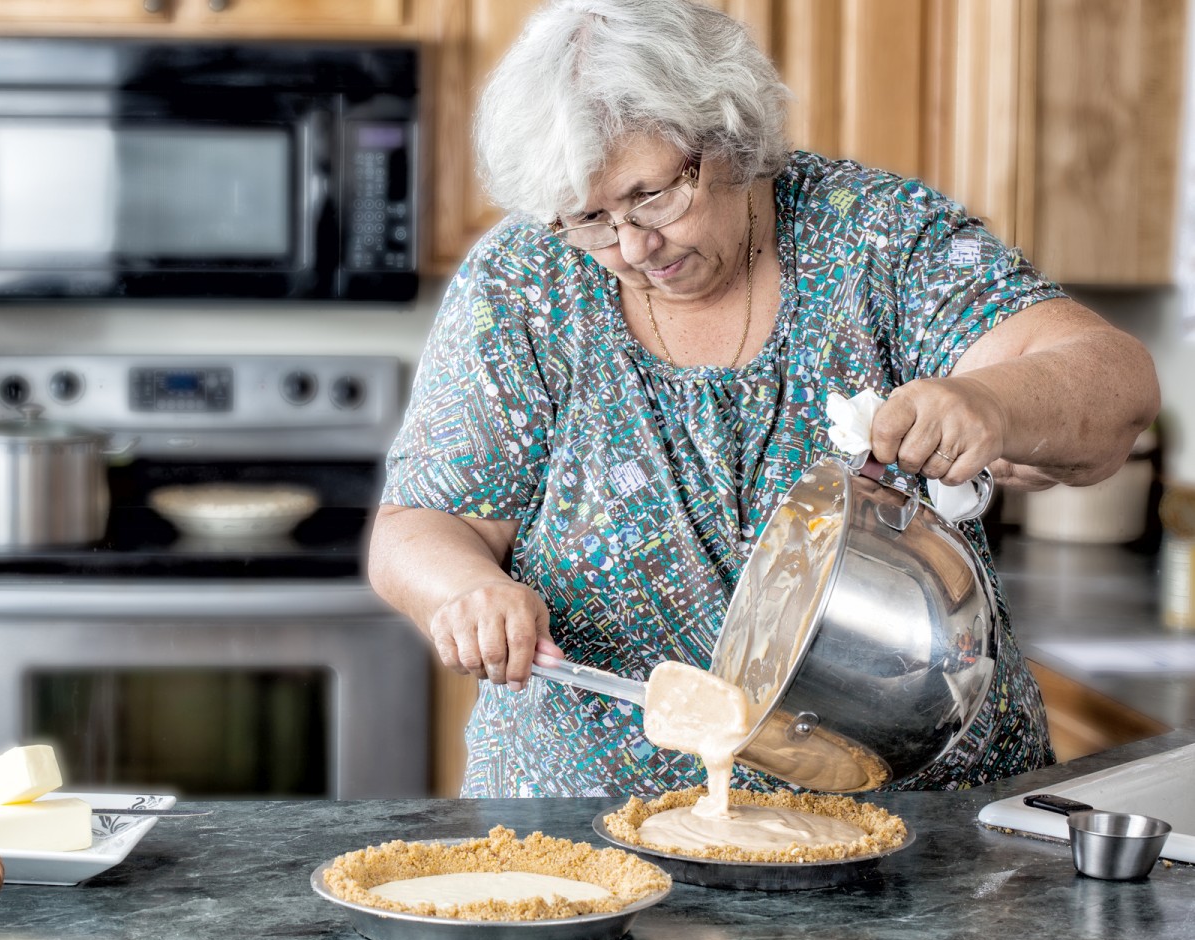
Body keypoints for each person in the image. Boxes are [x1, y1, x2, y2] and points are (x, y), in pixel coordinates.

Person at [369, 0, 1160, 798]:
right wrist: (468, 591)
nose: (634, 248)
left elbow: (1114, 382)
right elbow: (417, 527)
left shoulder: (872, 238)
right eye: (590, 219)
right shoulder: (524, 283)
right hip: (592, 834)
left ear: (730, 135)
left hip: (923, 829)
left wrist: (990, 400)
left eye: (653, 196)